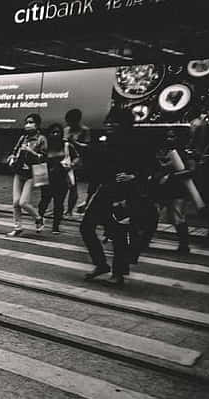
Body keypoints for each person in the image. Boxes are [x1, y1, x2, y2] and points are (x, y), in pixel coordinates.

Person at [81, 109, 154, 285]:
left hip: (125, 193)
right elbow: (98, 170)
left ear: (124, 124)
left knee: (118, 232)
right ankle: (101, 264)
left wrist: (133, 176)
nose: (109, 125)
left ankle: (118, 273)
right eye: (107, 122)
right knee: (86, 227)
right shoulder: (106, 141)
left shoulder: (137, 142)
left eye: (114, 122)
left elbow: (151, 166)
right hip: (105, 191)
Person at [5, 113, 47, 237]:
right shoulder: (23, 138)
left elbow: (43, 158)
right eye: (26, 122)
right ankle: (17, 227)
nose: (28, 125)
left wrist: (31, 151)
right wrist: (12, 157)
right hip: (19, 172)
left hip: (32, 174)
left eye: (31, 122)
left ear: (37, 125)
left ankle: (38, 218)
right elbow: (14, 151)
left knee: (23, 202)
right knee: (15, 202)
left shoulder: (41, 139)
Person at [37, 123, 76, 235]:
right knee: (44, 201)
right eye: (53, 132)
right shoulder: (45, 146)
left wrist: (71, 165)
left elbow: (76, 157)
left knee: (59, 203)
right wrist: (39, 179)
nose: (55, 134)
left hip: (61, 178)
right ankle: (39, 220)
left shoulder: (66, 145)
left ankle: (56, 226)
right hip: (46, 177)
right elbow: (39, 160)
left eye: (57, 132)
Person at [65, 109, 92, 215]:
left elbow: (87, 146)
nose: (69, 123)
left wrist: (75, 142)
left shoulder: (84, 130)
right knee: (63, 185)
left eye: (71, 121)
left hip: (77, 161)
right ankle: (61, 208)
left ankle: (69, 210)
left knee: (73, 186)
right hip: (65, 159)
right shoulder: (66, 129)